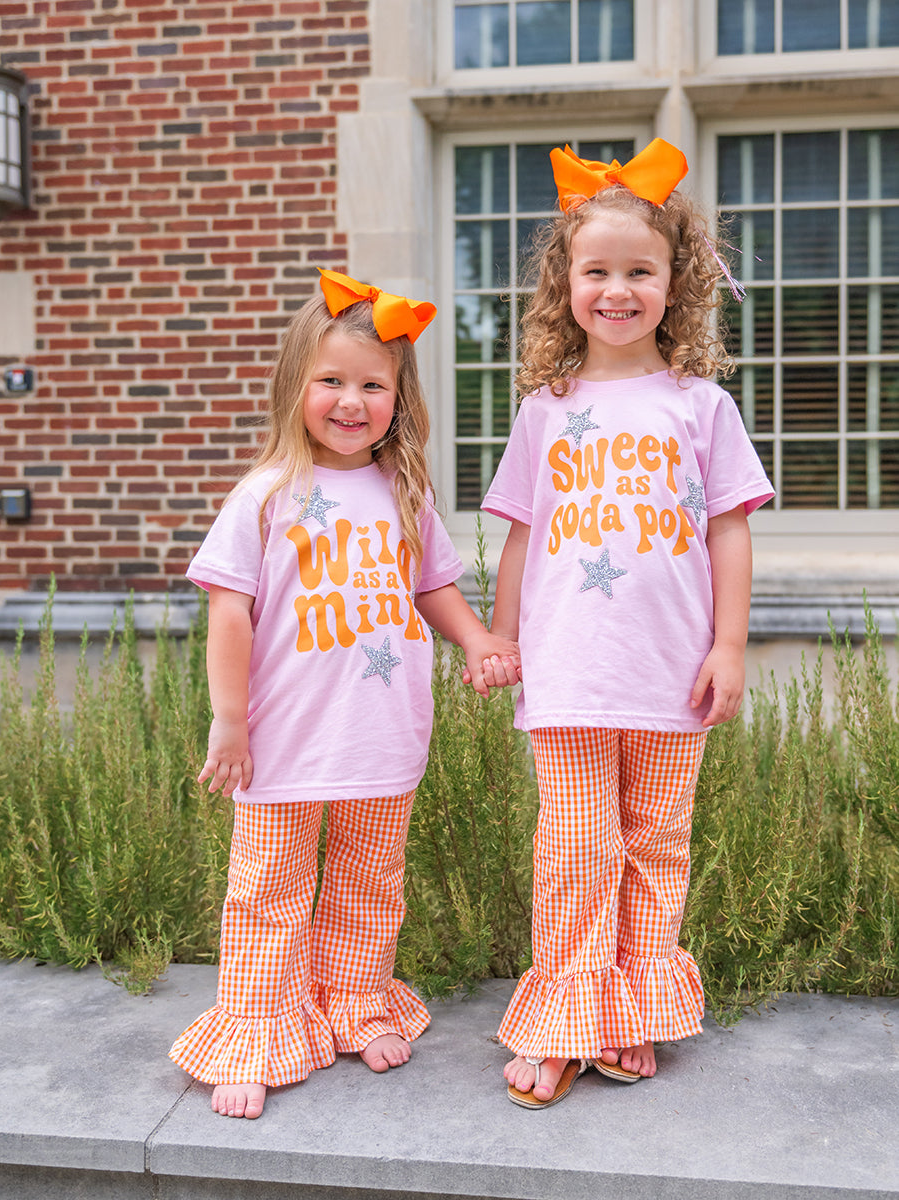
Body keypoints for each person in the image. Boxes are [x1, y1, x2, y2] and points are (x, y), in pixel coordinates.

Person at [169, 269, 521, 1119]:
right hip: (284, 739)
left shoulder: (404, 494)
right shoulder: (264, 496)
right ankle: (255, 1029)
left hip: (380, 732)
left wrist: (476, 638)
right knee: (269, 891)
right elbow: (230, 615)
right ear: (297, 386)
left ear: (399, 399)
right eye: (331, 380)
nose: (351, 400)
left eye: (374, 384)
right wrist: (228, 721)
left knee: (370, 883)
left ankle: (355, 1003)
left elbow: (432, 587)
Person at [479, 140, 774, 1108]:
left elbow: (728, 533)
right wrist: (502, 637)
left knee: (656, 843)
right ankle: (566, 1019)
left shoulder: (702, 406)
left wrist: (729, 645)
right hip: (567, 670)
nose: (616, 290)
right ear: (566, 282)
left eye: (638, 271)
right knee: (573, 850)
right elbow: (521, 538)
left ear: (673, 282)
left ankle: (637, 1008)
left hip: (669, 671)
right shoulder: (546, 411)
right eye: (596, 271)